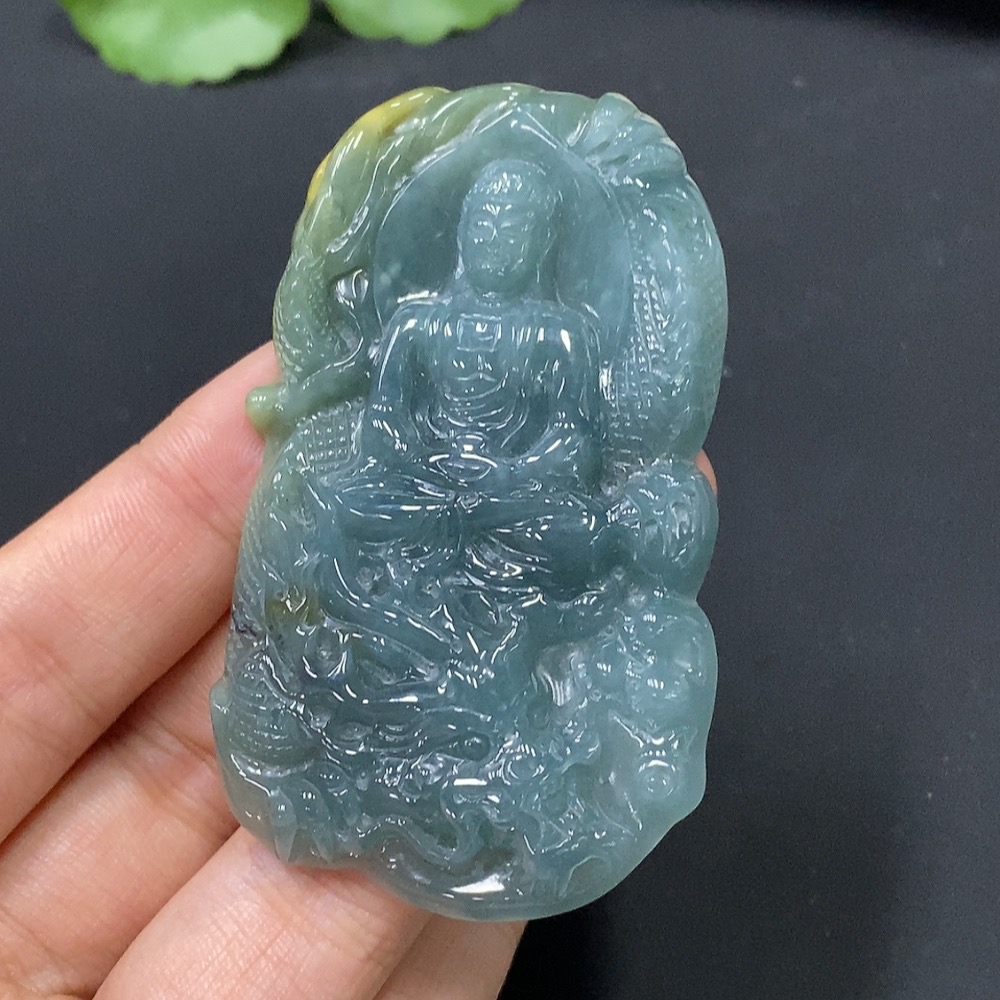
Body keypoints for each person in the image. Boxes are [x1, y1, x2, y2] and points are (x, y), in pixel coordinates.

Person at [0, 346, 714, 998]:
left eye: (517, 240)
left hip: (516, 502)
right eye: (487, 238)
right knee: (354, 524)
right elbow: (388, 429)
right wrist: (434, 475)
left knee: (546, 552)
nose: (500, 252)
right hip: (423, 489)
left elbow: (572, 445)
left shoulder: (557, 338)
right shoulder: (423, 324)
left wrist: (501, 483)